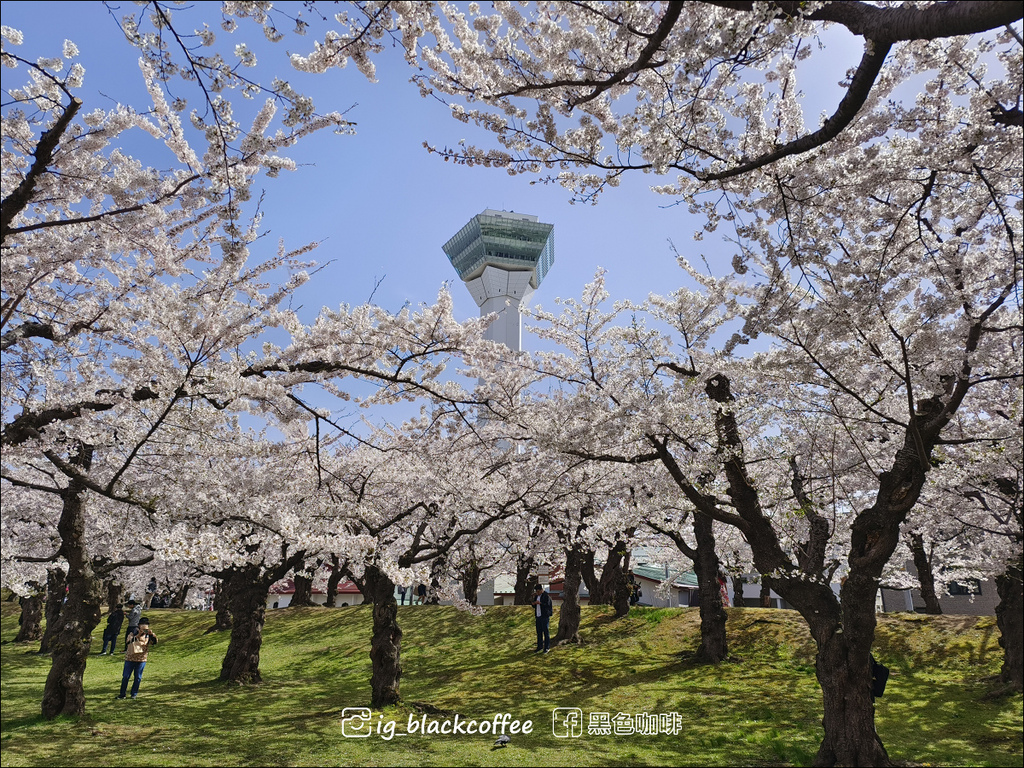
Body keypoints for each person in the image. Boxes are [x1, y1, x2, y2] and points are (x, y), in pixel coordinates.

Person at [118, 617, 157, 699]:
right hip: (130, 658)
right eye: (142, 625)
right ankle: (122, 694)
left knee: (138, 677)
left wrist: (152, 635)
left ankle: (134, 694)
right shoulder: (133, 632)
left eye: (146, 625)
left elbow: (154, 643)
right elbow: (128, 642)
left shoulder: (148, 635)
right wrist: (138, 635)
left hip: (141, 659)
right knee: (125, 676)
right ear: (139, 625)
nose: (144, 626)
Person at [532, 584, 552, 653]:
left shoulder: (546, 596)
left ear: (541, 590)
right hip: (538, 616)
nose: (537, 593)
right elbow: (534, 605)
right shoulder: (536, 596)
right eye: (536, 592)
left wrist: (540, 603)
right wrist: (534, 604)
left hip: (544, 616)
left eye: (538, 591)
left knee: (545, 632)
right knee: (539, 632)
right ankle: (539, 646)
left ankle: (547, 647)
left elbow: (548, 605)